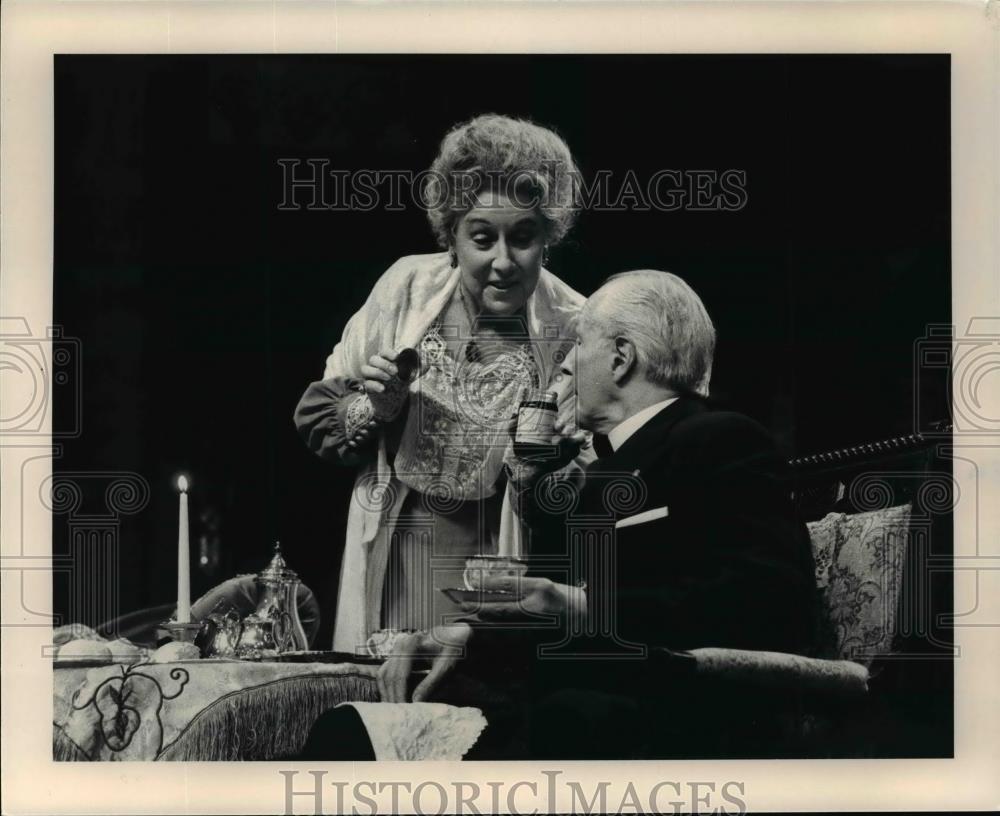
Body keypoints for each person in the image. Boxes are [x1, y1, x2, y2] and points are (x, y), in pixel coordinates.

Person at [374, 269, 819, 759]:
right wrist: (471, 635)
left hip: (665, 715)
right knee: (366, 722)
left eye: (579, 344)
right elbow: (549, 605)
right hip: (566, 698)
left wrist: (579, 604)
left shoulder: (723, 438)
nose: (568, 361)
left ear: (621, 357)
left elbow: (769, 596)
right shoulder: (598, 471)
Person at [293, 114, 593, 653]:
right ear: (451, 234)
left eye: (523, 238)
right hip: (405, 539)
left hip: (507, 553)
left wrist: (547, 466)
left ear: (549, 235)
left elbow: (585, 481)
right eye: (483, 238)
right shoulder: (409, 288)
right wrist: (379, 406)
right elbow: (318, 415)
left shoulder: (574, 323)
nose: (503, 262)